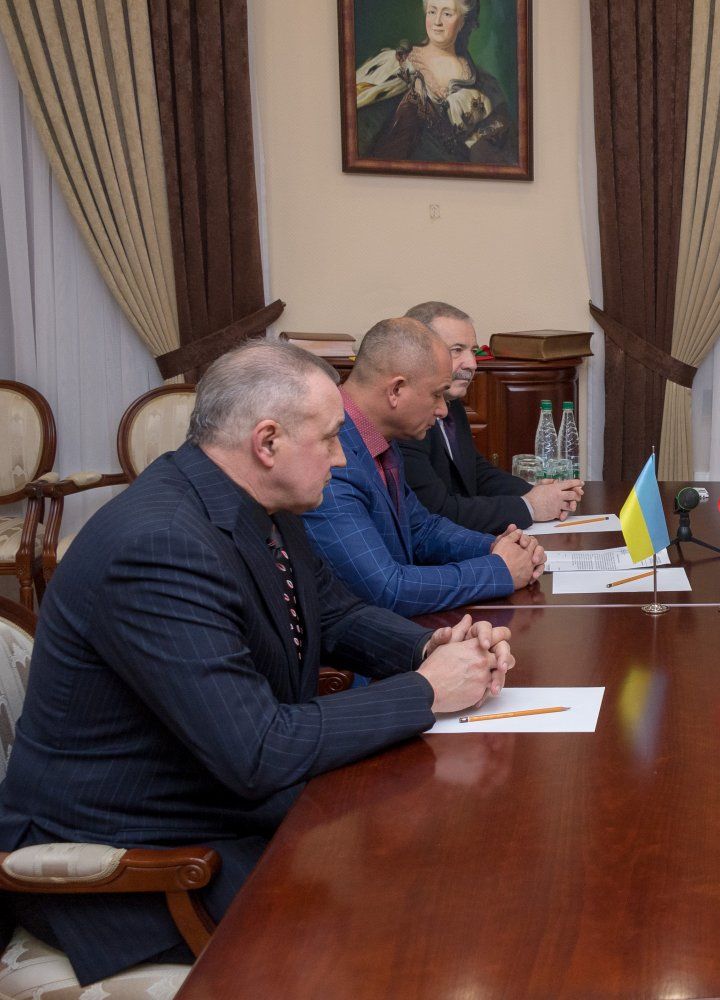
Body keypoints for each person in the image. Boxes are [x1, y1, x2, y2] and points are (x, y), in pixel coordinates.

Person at [0, 342, 515, 984]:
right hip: (136, 863)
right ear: (267, 442)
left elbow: (335, 613)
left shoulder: (256, 501)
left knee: (440, 860)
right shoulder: (160, 545)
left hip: (220, 809)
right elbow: (258, 750)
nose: (341, 457)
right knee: (409, 919)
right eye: (329, 439)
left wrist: (428, 649)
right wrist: (426, 691)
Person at [302, 317, 545, 616]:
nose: (443, 409)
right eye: (436, 394)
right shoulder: (330, 455)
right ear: (396, 390)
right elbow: (386, 589)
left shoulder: (378, 436)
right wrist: (499, 569)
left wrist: (497, 546)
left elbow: (421, 529)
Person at [396, 300, 584, 532]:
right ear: (418, 355)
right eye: (457, 350)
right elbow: (438, 511)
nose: (472, 364)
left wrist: (538, 492)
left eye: (473, 351)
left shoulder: (452, 404)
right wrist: (530, 507)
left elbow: (477, 473)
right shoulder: (407, 420)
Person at [354, 0, 517, 165]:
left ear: (464, 20)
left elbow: (499, 158)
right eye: (432, 11)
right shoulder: (392, 65)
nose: (437, 21)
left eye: (447, 14)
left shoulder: (486, 88)